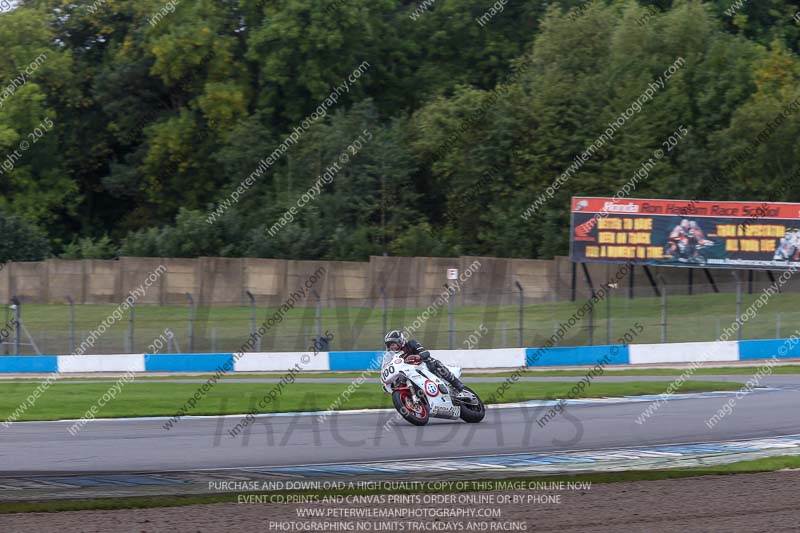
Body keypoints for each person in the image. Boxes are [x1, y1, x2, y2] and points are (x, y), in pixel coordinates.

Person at [383, 330, 472, 401]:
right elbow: (387, 367)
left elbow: (425, 353)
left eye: (393, 344)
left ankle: (460, 388)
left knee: (433, 363)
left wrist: (418, 356)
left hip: (423, 366)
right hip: (410, 373)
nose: (392, 347)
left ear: (400, 341)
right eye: (389, 345)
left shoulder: (411, 343)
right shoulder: (392, 356)